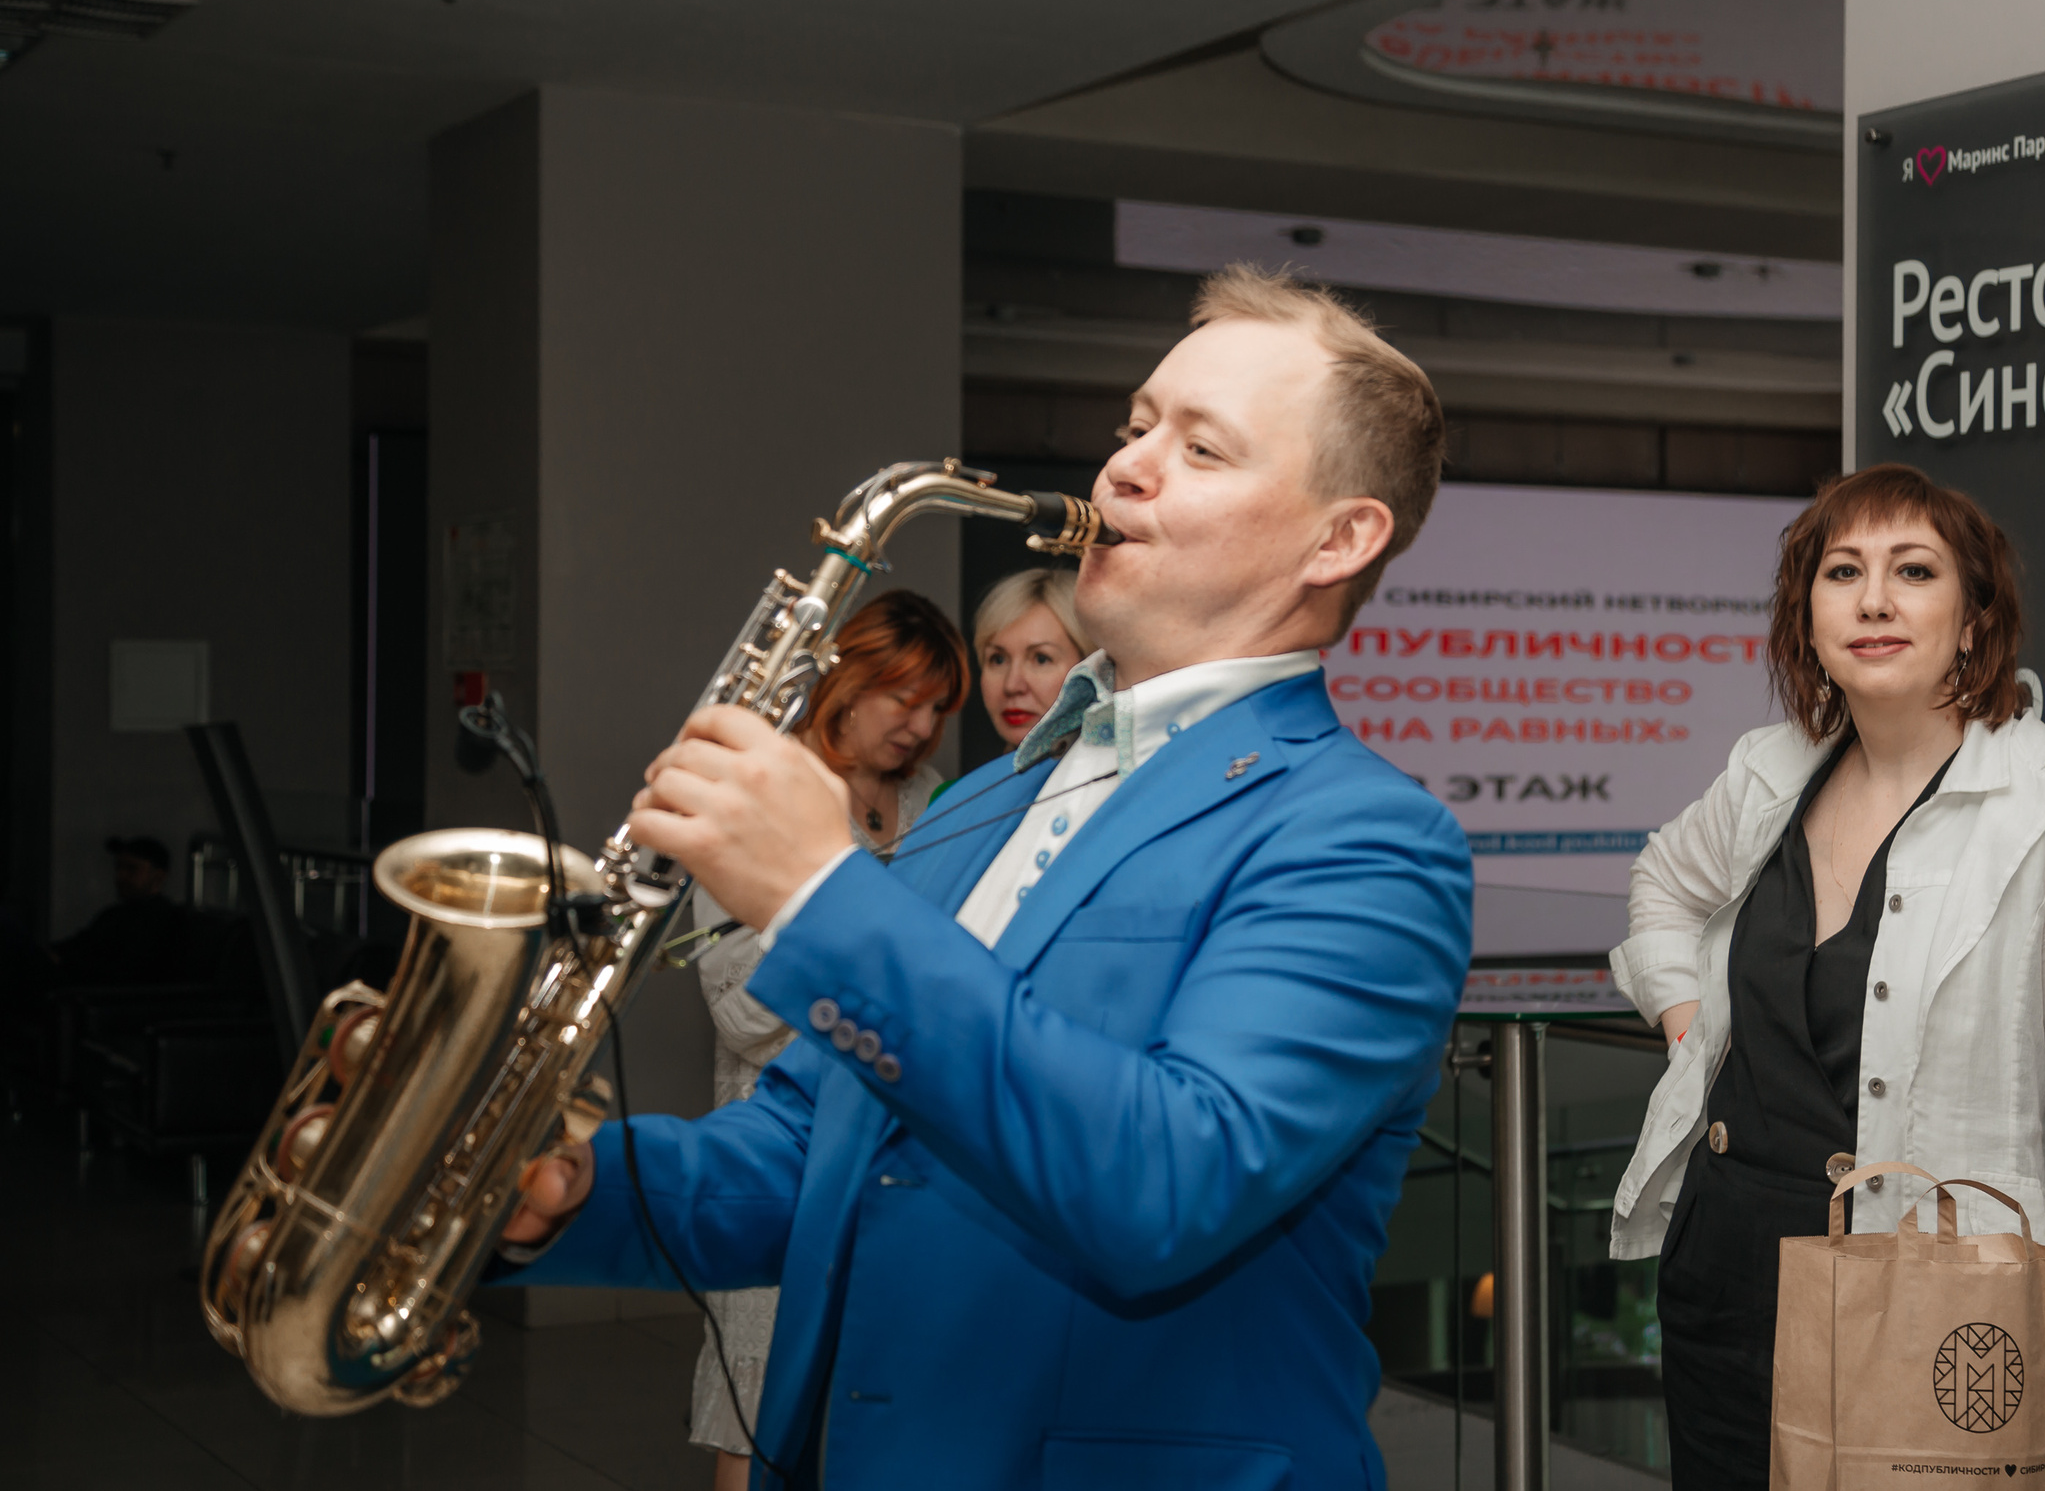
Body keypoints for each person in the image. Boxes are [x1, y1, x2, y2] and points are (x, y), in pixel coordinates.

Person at [499, 264, 1472, 1490]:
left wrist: (819, 896)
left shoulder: (1366, 836)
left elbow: (1168, 1179)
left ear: (1340, 538)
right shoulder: (987, 799)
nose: (1124, 466)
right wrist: (571, 1190)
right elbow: (815, 1140)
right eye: (1135, 425)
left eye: (1203, 448)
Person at [1609, 464, 2045, 1490]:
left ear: (1972, 620)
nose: (1873, 598)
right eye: (1841, 571)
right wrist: (1689, 1025)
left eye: (1913, 570)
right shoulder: (1767, 773)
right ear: (1807, 616)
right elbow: (1661, 885)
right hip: (1722, 1275)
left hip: (1929, 1302)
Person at [681, 587, 969, 1489]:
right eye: (903, 699)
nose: (920, 728)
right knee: (757, 1414)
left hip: (905, 1161)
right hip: (781, 1149)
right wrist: (872, 926)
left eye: (935, 709)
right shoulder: (756, 793)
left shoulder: (943, 805)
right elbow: (738, 1007)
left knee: (885, 1414)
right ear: (845, 679)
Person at [973, 567, 1091, 749]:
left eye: (1041, 659)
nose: (1012, 685)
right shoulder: (972, 779)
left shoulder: (1132, 777)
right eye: (998, 659)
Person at [50, 837, 189, 984]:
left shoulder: (163, 920)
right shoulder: (113, 915)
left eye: (132, 869)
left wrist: (65, 963)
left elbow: (128, 973)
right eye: (118, 868)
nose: (120, 876)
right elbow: (78, 944)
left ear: (158, 876)